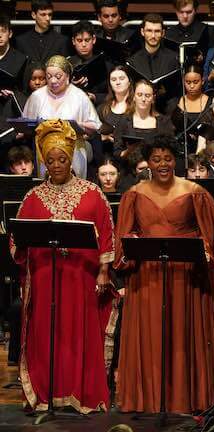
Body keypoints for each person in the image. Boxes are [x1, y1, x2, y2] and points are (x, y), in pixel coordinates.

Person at [114, 134, 214, 413]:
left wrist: (202, 250)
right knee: (151, 338)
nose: (163, 164)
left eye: (168, 158)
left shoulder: (196, 193)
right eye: (156, 159)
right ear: (148, 163)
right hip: (148, 277)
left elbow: (211, 236)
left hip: (185, 278)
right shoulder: (134, 194)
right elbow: (123, 237)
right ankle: (150, 400)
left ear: (175, 160)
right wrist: (133, 243)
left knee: (182, 338)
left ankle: (186, 398)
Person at [11, 119, 115, 413]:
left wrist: (104, 271)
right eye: (51, 160)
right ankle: (47, 394)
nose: (56, 165)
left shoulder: (93, 193)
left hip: (80, 278)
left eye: (62, 159)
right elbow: (18, 241)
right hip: (46, 279)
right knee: (48, 333)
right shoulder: (32, 198)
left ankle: (79, 392)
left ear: (72, 159)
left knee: (78, 334)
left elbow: (106, 234)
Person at [22, 55, 102, 179]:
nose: (53, 80)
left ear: (67, 76)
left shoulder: (79, 97)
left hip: (73, 150)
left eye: (58, 76)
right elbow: (26, 123)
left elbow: (94, 127)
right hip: (45, 152)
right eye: (49, 77)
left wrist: (79, 125)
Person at [112, 80, 175, 167]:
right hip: (130, 171)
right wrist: (128, 151)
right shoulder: (124, 121)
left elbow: (170, 151)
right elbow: (116, 154)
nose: (143, 99)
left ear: (153, 98)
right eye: (139, 95)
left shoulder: (164, 122)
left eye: (147, 95)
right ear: (134, 97)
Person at [127, 14, 179, 111]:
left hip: (166, 106)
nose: (153, 35)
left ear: (163, 33)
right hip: (140, 106)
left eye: (157, 31)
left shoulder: (174, 58)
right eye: (149, 31)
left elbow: (176, 90)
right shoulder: (133, 60)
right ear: (142, 32)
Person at [166, 63, 212, 152]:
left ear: (202, 81)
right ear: (183, 81)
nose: (191, 86)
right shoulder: (174, 103)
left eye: (195, 82)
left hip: (205, 150)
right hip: (180, 149)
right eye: (188, 82)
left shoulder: (211, 103)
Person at [14, 0, 69, 66]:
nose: (48, 18)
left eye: (50, 14)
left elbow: (64, 69)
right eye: (43, 14)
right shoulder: (21, 41)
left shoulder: (61, 40)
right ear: (33, 15)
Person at [68, 20, 106, 105]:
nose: (84, 44)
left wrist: (95, 97)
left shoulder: (104, 62)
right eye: (79, 40)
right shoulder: (67, 64)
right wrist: (71, 86)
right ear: (73, 41)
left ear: (94, 39)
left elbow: (111, 94)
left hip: (98, 107)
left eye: (87, 40)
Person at [98, 66, 134, 152]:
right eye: (113, 80)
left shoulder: (139, 106)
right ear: (110, 84)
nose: (118, 82)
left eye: (122, 78)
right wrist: (103, 137)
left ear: (129, 81)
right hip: (108, 153)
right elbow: (93, 133)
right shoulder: (103, 108)